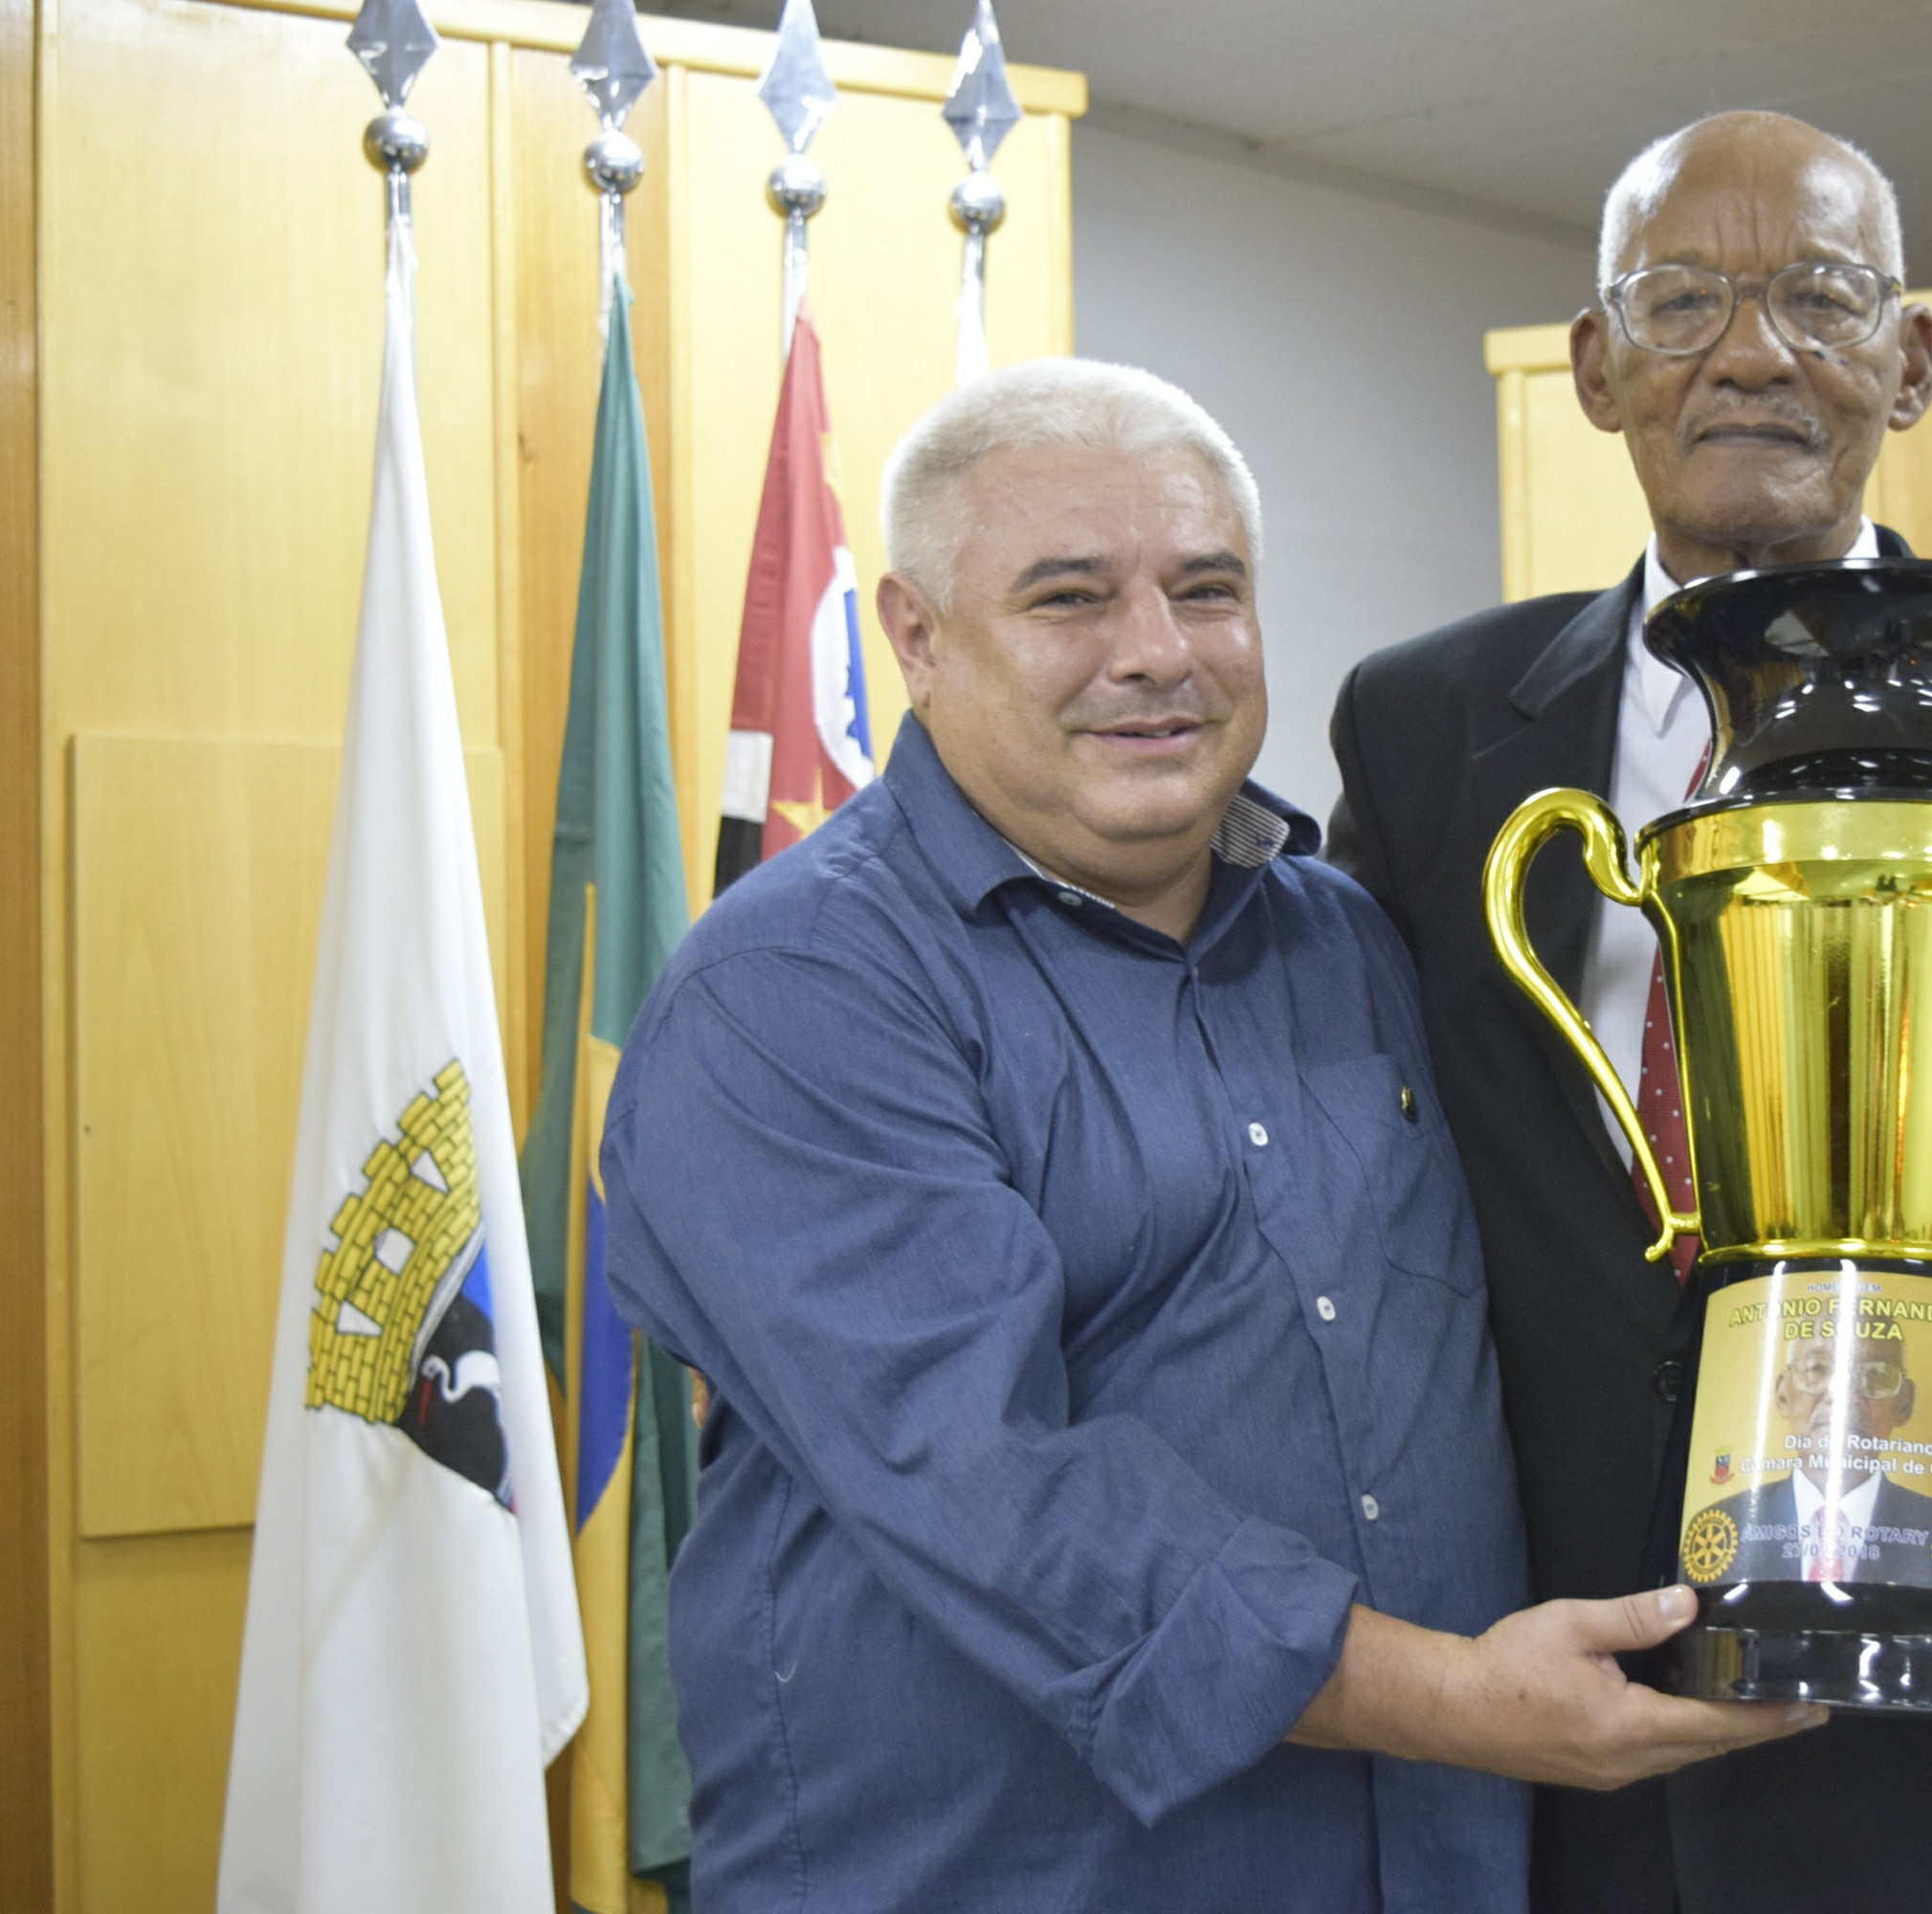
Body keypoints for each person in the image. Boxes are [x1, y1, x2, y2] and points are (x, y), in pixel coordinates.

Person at [599, 359, 1819, 1912]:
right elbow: (995, 1490)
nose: (1157, 653)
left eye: (1206, 589)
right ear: (915, 635)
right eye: (1069, 598)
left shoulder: (1355, 946)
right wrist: (1457, 1699)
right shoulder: (792, 993)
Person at [1327, 113, 1932, 1914]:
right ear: (1597, 366)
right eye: (1681, 302)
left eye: (1821, 299)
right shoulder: (1423, 730)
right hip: (1588, 1726)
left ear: (1909, 362)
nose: (1752, 353)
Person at [1698, 1340, 1932, 1589]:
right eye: (1817, 1368)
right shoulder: (1721, 1530)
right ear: (1782, 1394)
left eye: (1876, 1374)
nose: (1845, 1395)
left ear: (1904, 1403)